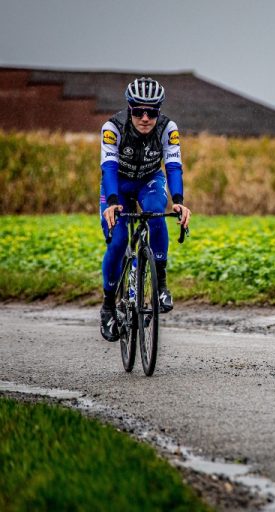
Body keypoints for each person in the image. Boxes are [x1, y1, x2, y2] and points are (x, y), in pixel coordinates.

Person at [99, 77, 191, 342]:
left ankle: (160, 285)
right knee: (118, 243)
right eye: (138, 111)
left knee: (154, 212)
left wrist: (178, 200)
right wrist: (113, 201)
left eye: (151, 112)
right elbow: (108, 168)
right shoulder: (113, 127)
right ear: (130, 109)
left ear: (158, 112)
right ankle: (107, 306)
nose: (145, 118)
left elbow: (173, 166)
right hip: (117, 185)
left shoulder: (167, 128)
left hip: (149, 180)